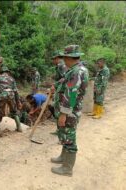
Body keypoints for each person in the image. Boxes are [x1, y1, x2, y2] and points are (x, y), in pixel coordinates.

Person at [51, 45, 89, 176]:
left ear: (69, 57)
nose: (63, 60)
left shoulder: (77, 72)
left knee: (69, 138)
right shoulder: (74, 70)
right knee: (65, 135)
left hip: (70, 112)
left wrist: (63, 113)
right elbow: (64, 81)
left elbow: (71, 93)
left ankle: (67, 168)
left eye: (64, 57)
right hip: (69, 111)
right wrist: (55, 86)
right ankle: (63, 157)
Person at [0, 65, 22, 132]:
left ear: (1, 72)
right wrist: (18, 101)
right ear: (7, 72)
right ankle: (19, 127)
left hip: (2, 95)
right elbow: (16, 91)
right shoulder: (12, 79)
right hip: (11, 95)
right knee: (14, 112)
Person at [49, 50, 67, 135]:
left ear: (57, 58)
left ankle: (62, 132)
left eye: (53, 59)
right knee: (57, 110)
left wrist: (55, 85)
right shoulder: (60, 66)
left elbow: (65, 78)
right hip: (60, 91)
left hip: (62, 92)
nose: (53, 61)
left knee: (60, 112)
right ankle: (59, 130)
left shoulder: (62, 65)